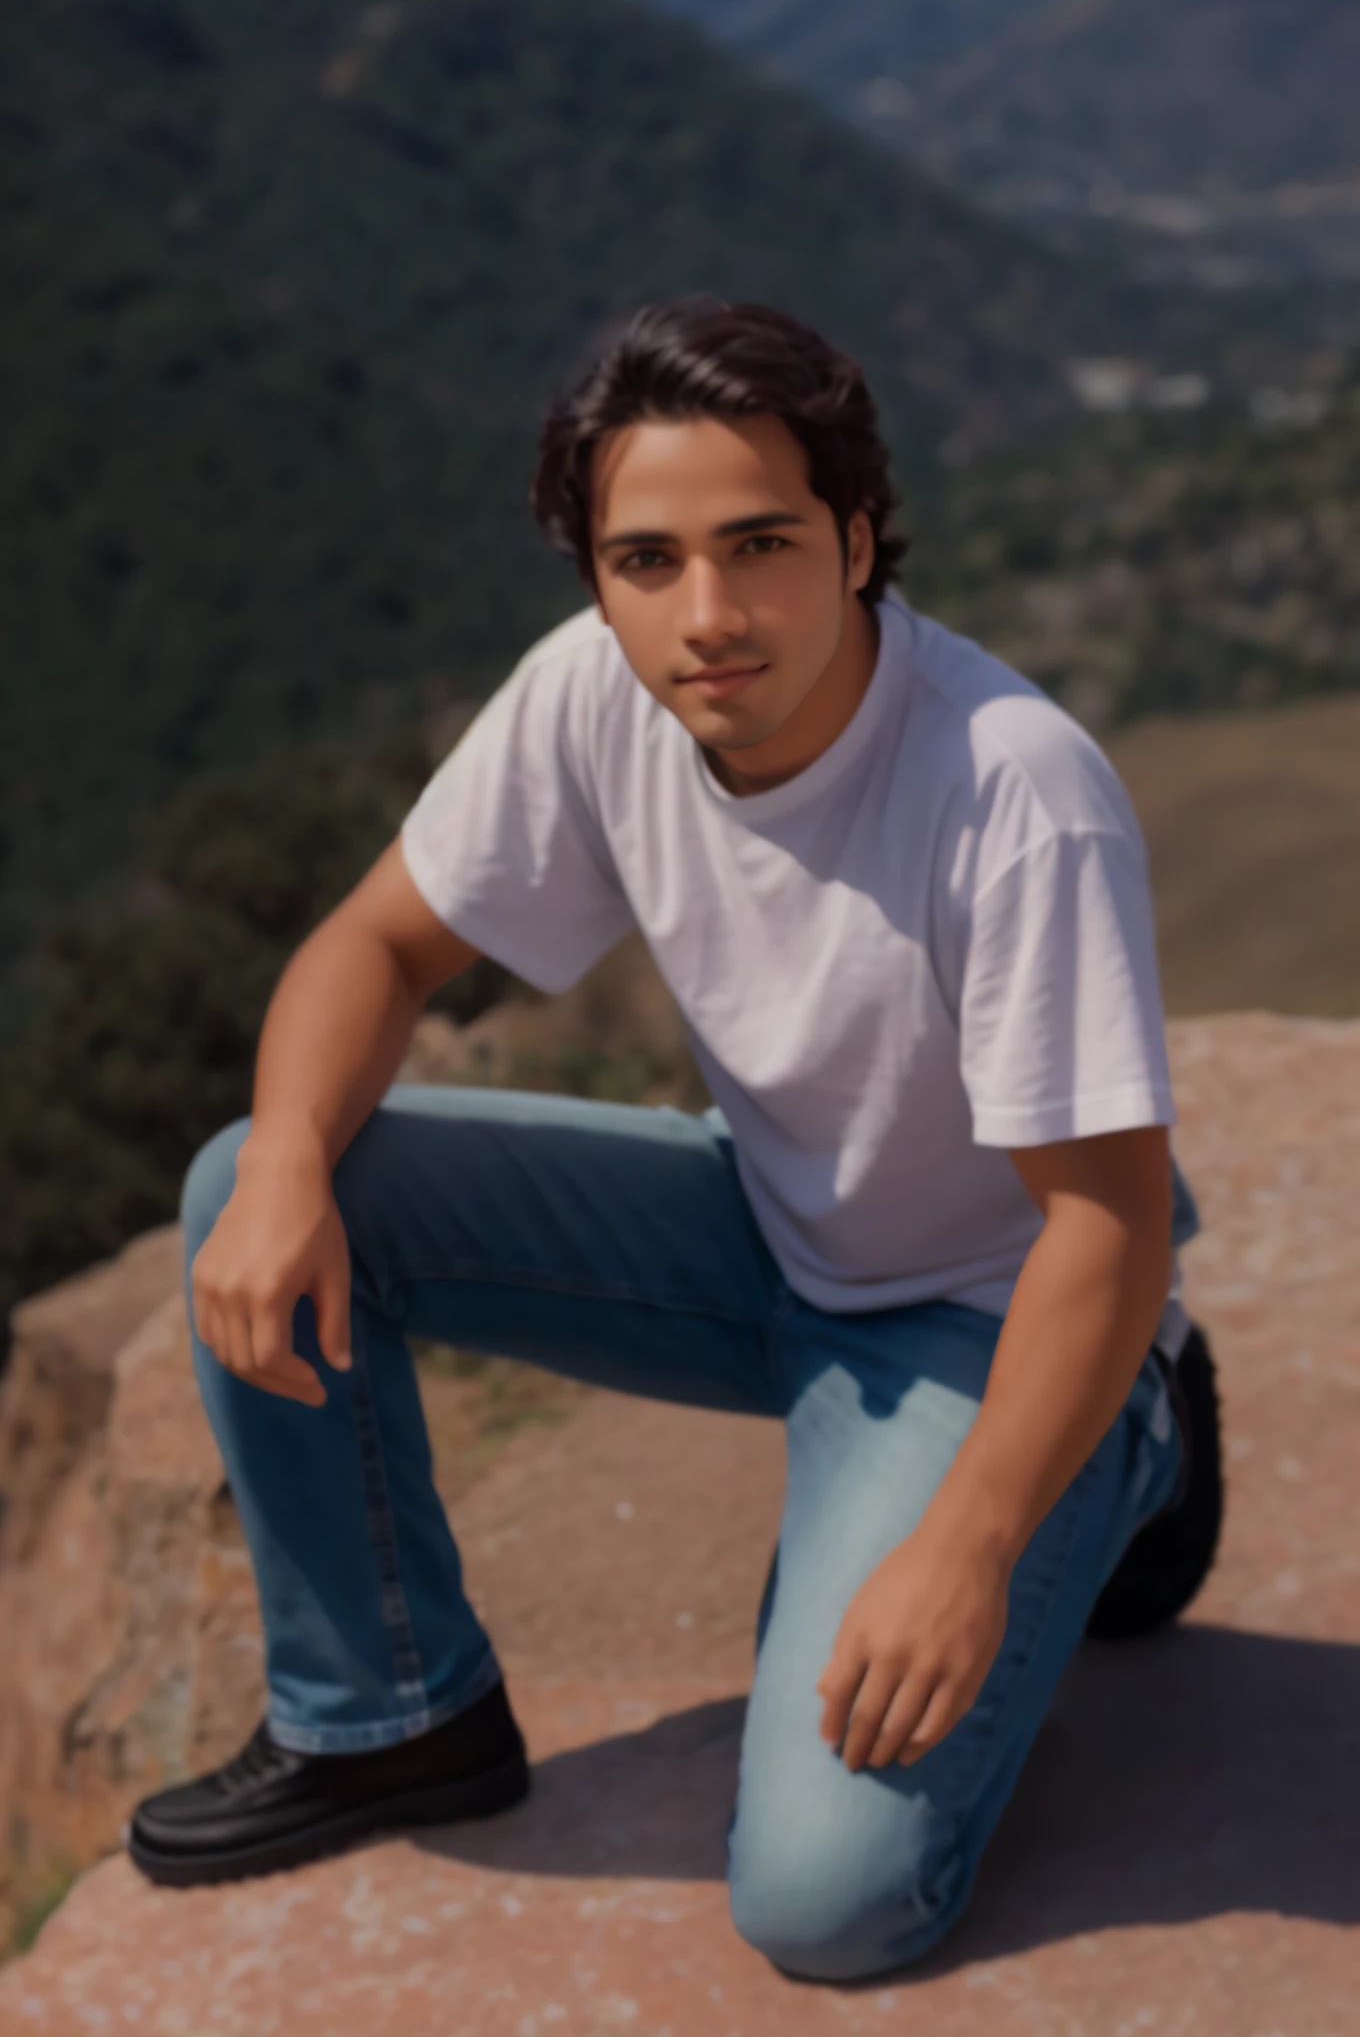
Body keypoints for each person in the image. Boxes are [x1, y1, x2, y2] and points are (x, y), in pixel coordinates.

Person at [128, 298, 1221, 1980]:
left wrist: (970, 1544)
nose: (706, 616)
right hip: (760, 1236)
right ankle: (387, 1716)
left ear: (857, 543)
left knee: (825, 1904)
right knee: (258, 1176)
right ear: (600, 578)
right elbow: (376, 946)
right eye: (647, 562)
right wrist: (283, 1166)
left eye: (761, 545)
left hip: (985, 1322)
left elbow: (1105, 1226)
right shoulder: (596, 693)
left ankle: (1131, 1441)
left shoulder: (1013, 790)